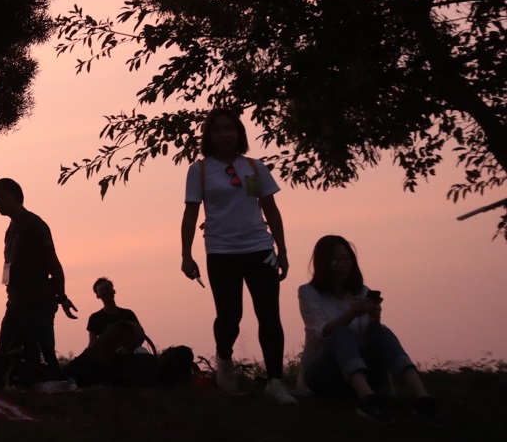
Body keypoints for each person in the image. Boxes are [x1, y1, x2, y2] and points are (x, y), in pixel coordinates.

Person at [180, 108, 293, 403]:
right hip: (221, 251)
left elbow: (271, 209)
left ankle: (275, 381)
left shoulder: (255, 167)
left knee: (269, 314)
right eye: (218, 129)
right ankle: (224, 358)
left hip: (260, 248)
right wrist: (186, 255)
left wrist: (282, 249)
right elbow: (190, 214)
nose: (224, 135)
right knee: (230, 315)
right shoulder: (199, 170)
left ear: (239, 133)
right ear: (209, 135)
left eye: (229, 129)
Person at [297, 235, 435, 421]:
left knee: (381, 332)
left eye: (346, 259)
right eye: (334, 260)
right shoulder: (308, 292)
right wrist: (350, 315)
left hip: (364, 369)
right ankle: (368, 400)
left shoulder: (361, 292)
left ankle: (423, 399)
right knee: (341, 333)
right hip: (323, 374)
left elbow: (368, 336)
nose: (341, 265)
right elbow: (320, 332)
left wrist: (374, 319)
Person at [0, 178, 77, 372]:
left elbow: (54, 265)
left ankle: (55, 384)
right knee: (4, 357)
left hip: (36, 304)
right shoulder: (11, 230)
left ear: (14, 195)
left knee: (43, 358)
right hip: (15, 302)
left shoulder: (34, 224)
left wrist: (61, 297)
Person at [85, 277, 153, 354]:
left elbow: (139, 335)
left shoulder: (128, 314)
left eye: (107, 288)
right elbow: (92, 344)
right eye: (102, 290)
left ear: (113, 291)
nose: (106, 292)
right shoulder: (95, 318)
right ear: (98, 295)